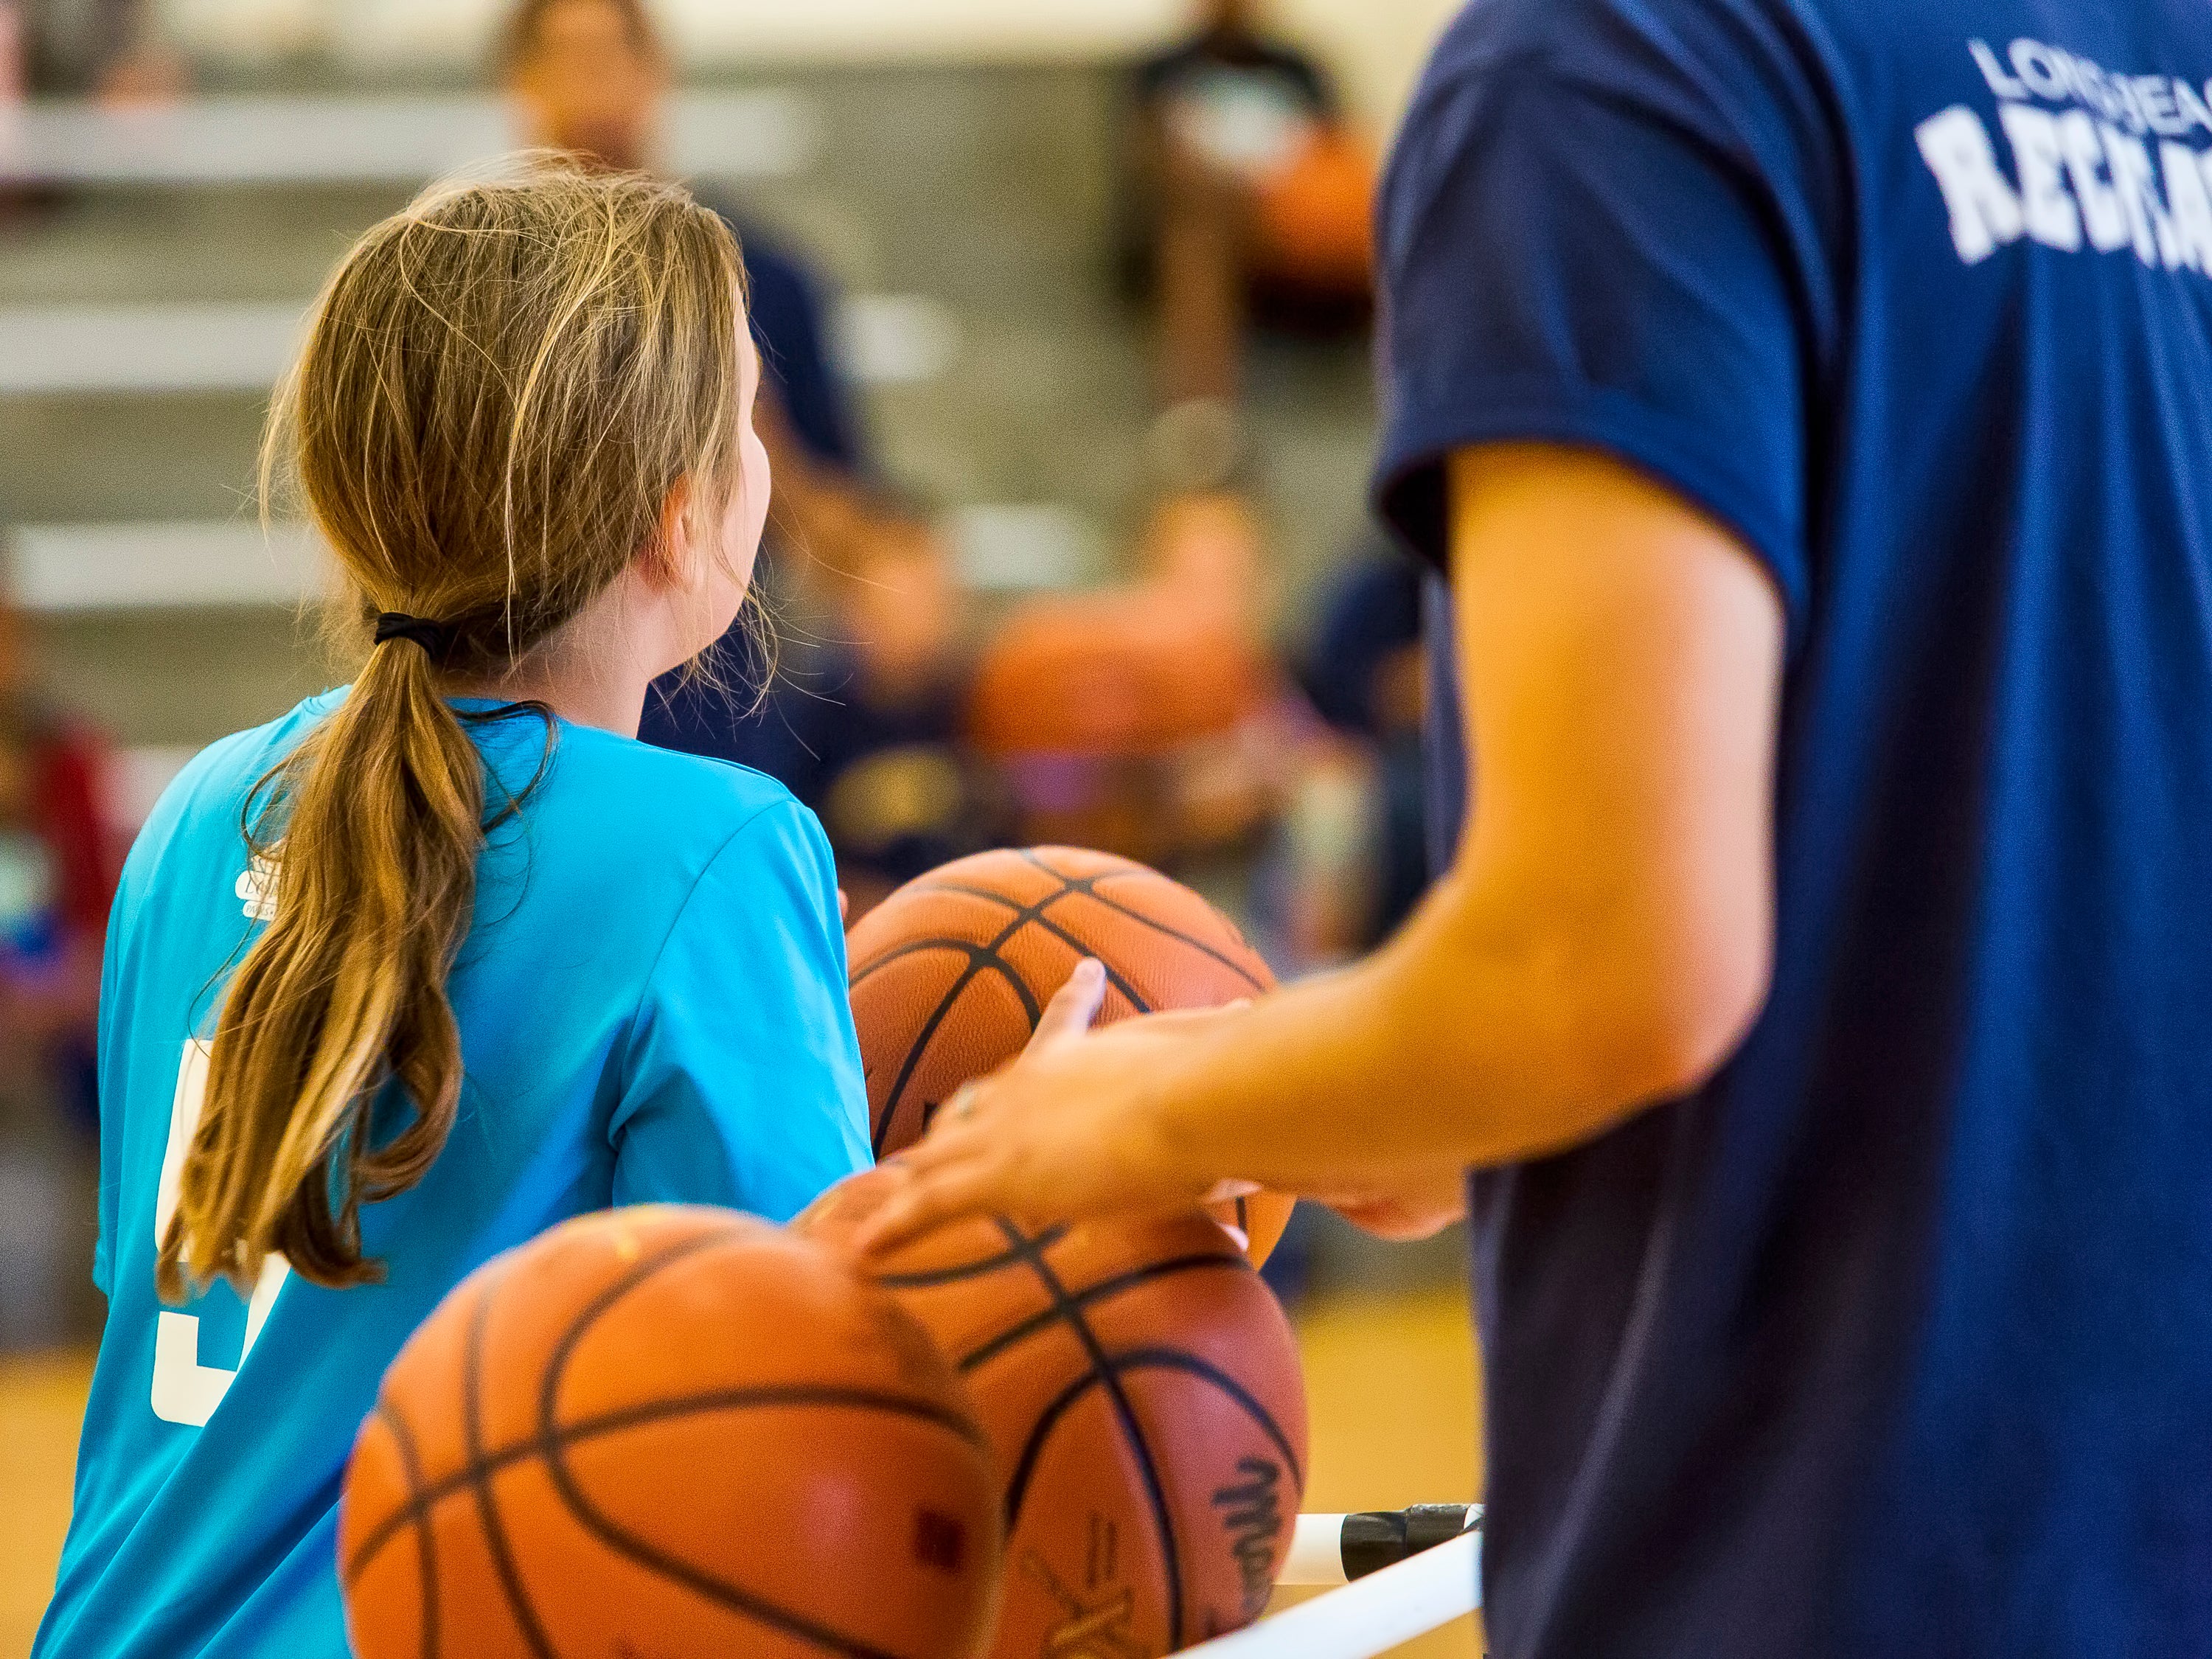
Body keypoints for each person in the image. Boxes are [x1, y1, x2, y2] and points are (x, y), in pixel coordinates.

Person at [863, 1, 2212, 1655]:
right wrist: (1395, 1092)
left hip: (1839, 1552)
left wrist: (1131, 1102)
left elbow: (1600, 964)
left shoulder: (1614, 62)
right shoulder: (2163, 67)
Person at [35, 164, 869, 1658]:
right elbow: (811, 1411)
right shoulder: (712, 848)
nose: (765, 453)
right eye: (748, 413)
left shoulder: (193, 819)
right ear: (681, 517)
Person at [1121, 0, 1374, 459]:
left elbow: (1336, 157)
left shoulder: (1301, 72)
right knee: (1198, 230)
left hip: (1291, 231)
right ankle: (1200, 423)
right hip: (1200, 227)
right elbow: (1146, 176)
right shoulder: (1160, 73)